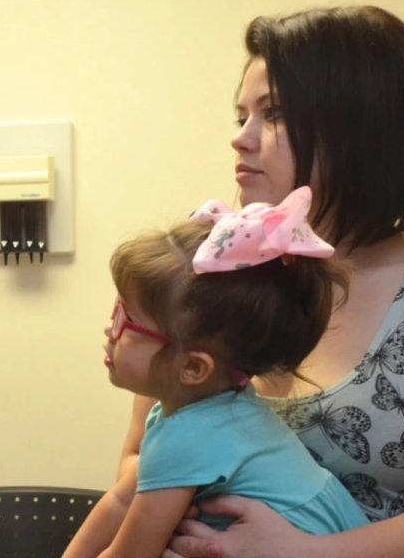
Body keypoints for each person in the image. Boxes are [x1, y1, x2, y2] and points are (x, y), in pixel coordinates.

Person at [130, 6, 404, 557]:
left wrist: (306, 553)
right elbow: (138, 458)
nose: (241, 138)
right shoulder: (205, 272)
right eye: (240, 117)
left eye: (274, 114)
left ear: (362, 128)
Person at [62, 187, 367, 558]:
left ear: (192, 367)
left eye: (127, 320)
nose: (110, 330)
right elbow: (120, 502)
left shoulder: (188, 437)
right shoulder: (218, 409)